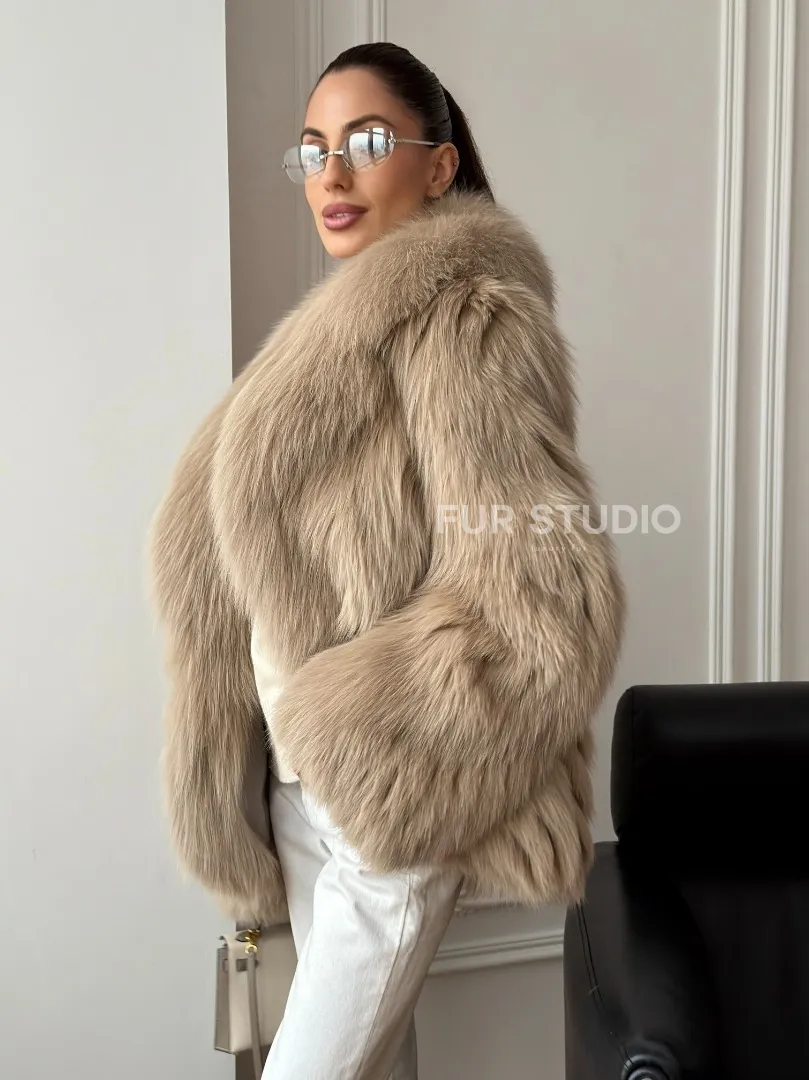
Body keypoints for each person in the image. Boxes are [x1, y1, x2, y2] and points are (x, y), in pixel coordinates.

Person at [147, 41, 626, 1080]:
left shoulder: (469, 321)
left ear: (439, 164)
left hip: (391, 787)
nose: (332, 173)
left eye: (366, 143)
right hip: (296, 787)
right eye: (312, 148)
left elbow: (541, 598)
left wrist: (372, 741)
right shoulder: (332, 335)